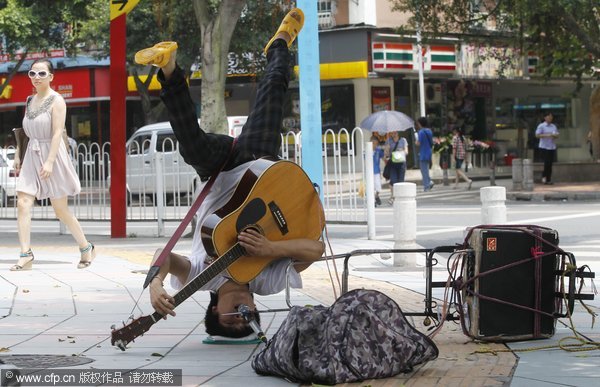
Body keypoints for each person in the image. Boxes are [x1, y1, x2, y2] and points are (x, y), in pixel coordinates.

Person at [136, 8, 325, 339]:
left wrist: (155, 282)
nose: (242, 315)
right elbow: (315, 249)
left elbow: (165, 258)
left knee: (191, 148)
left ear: (213, 310)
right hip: (260, 166)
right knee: (274, 88)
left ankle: (167, 67)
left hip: (220, 168)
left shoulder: (201, 277)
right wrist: (270, 250)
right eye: (249, 319)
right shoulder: (265, 281)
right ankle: (280, 43)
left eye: (231, 320)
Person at [10, 59, 95, 271]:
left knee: (60, 210)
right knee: (23, 202)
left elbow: (58, 132)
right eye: (32, 74)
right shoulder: (29, 100)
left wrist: (49, 162)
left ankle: (86, 247)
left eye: (41, 73)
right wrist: (19, 155)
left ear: (51, 76)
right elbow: (26, 133)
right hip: (32, 154)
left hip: (53, 156)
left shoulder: (57, 100)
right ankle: (25, 254)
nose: (36, 78)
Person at [384, 131, 408, 204]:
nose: (393, 134)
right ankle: (393, 196)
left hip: (401, 164)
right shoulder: (388, 141)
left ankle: (399, 198)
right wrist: (387, 149)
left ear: (397, 132)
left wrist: (402, 151)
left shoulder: (403, 140)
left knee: (401, 181)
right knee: (393, 181)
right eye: (392, 132)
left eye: (395, 132)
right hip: (393, 163)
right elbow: (386, 154)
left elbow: (406, 152)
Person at [535, 112, 559, 185]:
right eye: (549, 117)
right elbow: (537, 135)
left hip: (551, 147)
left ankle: (548, 179)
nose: (550, 118)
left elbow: (557, 135)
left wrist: (555, 135)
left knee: (550, 164)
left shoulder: (553, 126)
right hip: (544, 147)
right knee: (546, 163)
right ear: (545, 118)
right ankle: (544, 177)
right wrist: (548, 135)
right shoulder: (541, 126)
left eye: (551, 117)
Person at [415, 117, 434, 192]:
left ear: (420, 123)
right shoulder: (429, 131)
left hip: (423, 152)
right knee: (426, 169)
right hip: (428, 152)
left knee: (424, 170)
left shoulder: (421, 132)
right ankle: (429, 182)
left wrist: (416, 142)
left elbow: (418, 143)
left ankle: (427, 186)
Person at [371, 135, 384, 206]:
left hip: (377, 171)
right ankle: (373, 201)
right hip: (370, 172)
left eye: (376, 144)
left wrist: (386, 150)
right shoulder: (367, 150)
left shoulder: (378, 150)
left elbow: (384, 157)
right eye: (374, 143)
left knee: (378, 188)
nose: (375, 145)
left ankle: (376, 196)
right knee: (371, 187)